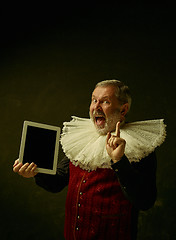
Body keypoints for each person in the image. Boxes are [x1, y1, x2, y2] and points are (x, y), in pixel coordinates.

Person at [13, 80, 166, 240]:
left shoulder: (140, 148)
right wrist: (36, 172)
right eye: (94, 100)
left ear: (123, 109)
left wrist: (120, 161)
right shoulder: (82, 140)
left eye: (105, 101)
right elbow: (57, 182)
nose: (96, 107)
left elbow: (145, 201)